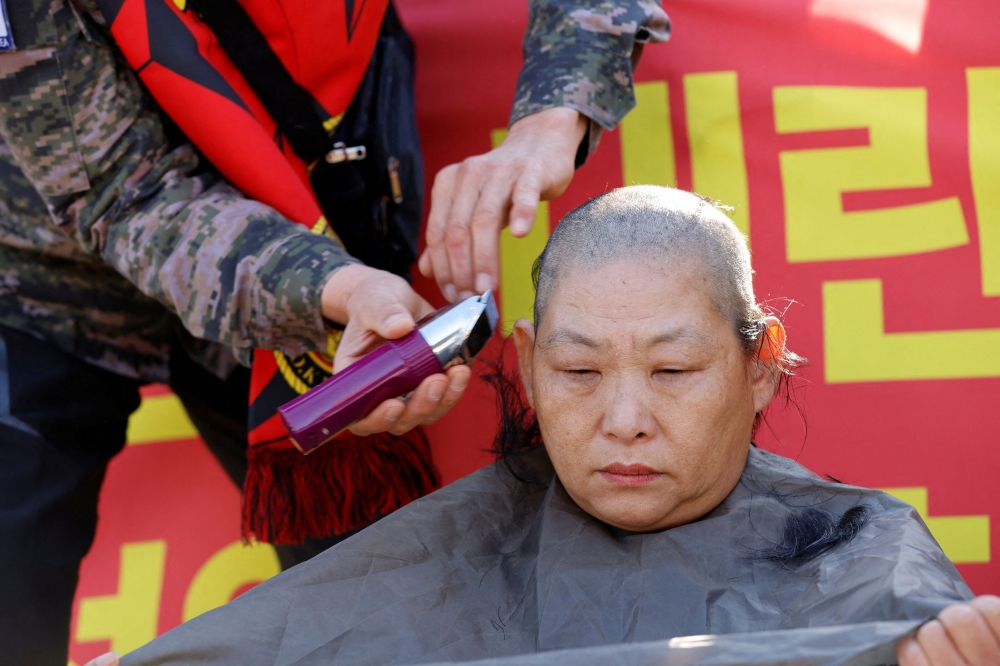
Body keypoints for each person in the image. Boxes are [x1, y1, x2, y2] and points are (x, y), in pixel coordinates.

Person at [0, 0, 669, 663]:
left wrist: (552, 117)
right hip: (43, 285)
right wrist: (333, 288)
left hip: (319, 237)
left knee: (382, 626)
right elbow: (129, 196)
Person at [99, 186, 999, 666]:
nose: (623, 421)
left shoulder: (866, 559)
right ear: (525, 364)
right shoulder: (442, 556)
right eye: (576, 372)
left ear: (759, 365)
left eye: (674, 371)